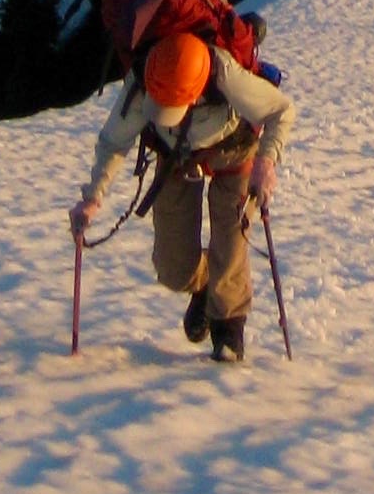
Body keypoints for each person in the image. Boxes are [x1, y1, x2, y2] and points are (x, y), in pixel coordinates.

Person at [68, 26, 294, 363]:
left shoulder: (224, 72)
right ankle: (203, 285)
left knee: (231, 243)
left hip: (234, 150)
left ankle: (228, 330)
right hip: (176, 157)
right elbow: (114, 141)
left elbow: (281, 111)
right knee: (173, 267)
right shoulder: (144, 80)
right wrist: (92, 196)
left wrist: (266, 161)